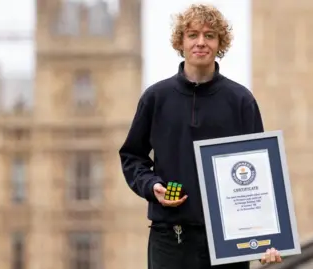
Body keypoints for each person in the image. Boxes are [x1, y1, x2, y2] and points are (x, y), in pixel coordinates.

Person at [119, 3, 283, 269]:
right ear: (180, 42)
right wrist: (152, 186)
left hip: (229, 241)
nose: (201, 42)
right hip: (170, 236)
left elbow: (259, 173)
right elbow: (132, 156)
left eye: (209, 35)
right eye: (193, 35)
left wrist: (268, 237)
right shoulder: (156, 98)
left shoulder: (241, 100)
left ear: (220, 43)